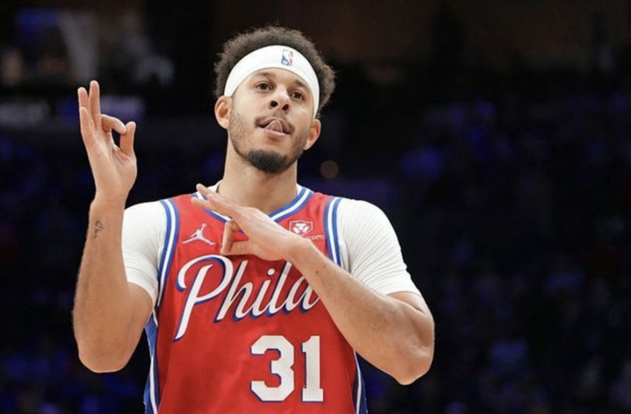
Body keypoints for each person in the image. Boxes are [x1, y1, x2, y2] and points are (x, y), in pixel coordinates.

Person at [72, 26, 434, 413]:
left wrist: (299, 253)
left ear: (311, 133)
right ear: (225, 111)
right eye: (263, 86)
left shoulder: (352, 222)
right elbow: (102, 354)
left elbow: (412, 357)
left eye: (297, 95)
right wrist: (108, 202)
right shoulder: (157, 224)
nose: (281, 100)